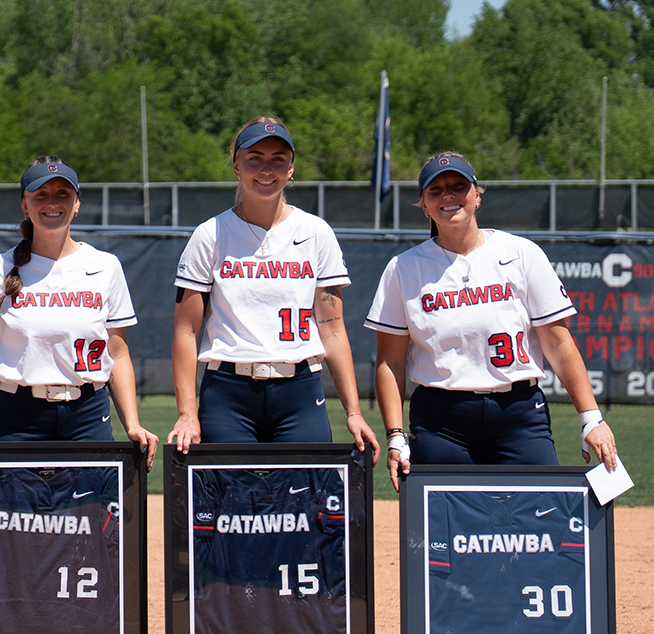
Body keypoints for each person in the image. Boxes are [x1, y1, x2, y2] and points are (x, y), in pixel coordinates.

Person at [366, 152, 618, 490]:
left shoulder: (521, 254)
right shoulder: (404, 268)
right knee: (447, 518)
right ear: (424, 205)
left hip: (519, 413)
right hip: (441, 420)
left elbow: (558, 343)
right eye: (435, 190)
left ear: (477, 194)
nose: (448, 196)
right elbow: (391, 361)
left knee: (538, 512)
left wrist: (591, 418)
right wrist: (396, 435)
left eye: (459, 186)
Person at [169, 117, 378, 454]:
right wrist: (187, 413)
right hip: (228, 392)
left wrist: (353, 412)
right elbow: (186, 331)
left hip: (300, 390)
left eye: (277, 159)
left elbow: (333, 331)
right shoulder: (210, 235)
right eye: (255, 158)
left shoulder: (315, 232)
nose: (266, 169)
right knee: (228, 488)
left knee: (306, 487)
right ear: (237, 167)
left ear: (290, 169)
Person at [0, 157, 159, 463]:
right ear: (24, 206)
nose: (52, 202)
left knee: (90, 496)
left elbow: (117, 355)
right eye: (40, 194)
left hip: (88, 414)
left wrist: (132, 424)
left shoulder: (105, 267)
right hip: (17, 416)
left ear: (77, 204)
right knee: (10, 497)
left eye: (62, 193)